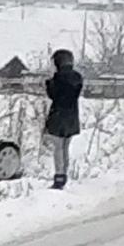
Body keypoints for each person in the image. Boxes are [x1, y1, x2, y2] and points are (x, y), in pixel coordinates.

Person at [45, 49, 83, 190]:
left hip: (58, 115)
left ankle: (58, 177)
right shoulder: (77, 77)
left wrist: (49, 81)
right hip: (72, 116)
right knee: (66, 147)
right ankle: (64, 175)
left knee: (58, 148)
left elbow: (53, 95)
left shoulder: (57, 78)